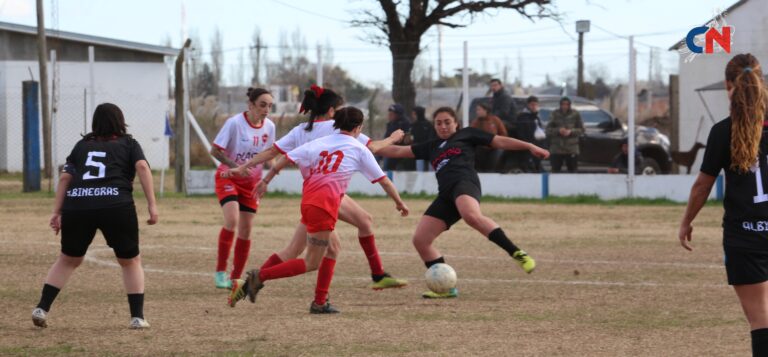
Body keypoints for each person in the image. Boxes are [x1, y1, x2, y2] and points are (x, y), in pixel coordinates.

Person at [225, 86, 408, 313]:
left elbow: (275, 154)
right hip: (329, 195)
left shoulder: (302, 131)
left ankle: (314, 298)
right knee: (333, 245)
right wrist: (393, 138)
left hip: (311, 193)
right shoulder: (341, 127)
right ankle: (373, 276)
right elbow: (373, 149)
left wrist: (255, 172)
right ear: (332, 111)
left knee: (299, 249)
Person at [376, 107, 549, 298]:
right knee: (421, 240)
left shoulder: (467, 134)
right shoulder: (431, 146)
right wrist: (364, 144)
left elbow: (499, 140)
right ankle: (446, 289)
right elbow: (395, 151)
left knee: (471, 216)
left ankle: (517, 253)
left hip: (465, 183)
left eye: (447, 122)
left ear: (456, 123)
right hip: (446, 195)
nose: (443, 126)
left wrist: (530, 146)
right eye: (438, 123)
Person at [32, 103, 158, 329]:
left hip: (78, 205)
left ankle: (41, 308)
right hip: (116, 205)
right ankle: (137, 317)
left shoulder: (81, 146)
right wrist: (152, 205)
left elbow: (64, 179)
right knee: (130, 262)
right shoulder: (129, 143)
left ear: (95, 123)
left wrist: (57, 211)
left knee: (68, 259)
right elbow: (141, 166)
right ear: (121, 121)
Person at [678, 53, 768, 356]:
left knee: (761, 322)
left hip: (745, 237)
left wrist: (686, 222)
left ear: (729, 85)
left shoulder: (722, 131)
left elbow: (703, 185)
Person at [210, 88, 276, 289]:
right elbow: (215, 151)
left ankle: (235, 278)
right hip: (228, 177)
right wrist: (235, 167)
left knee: (246, 230)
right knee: (232, 220)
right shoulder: (234, 123)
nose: (266, 110)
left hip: (251, 183)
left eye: (270, 106)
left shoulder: (270, 127)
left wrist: (271, 175)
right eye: (262, 105)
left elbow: (270, 155)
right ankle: (220, 273)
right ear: (251, 105)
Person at [545, 97, 584, 173]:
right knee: (555, 171)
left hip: (572, 148)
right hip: (557, 148)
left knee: (572, 171)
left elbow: (581, 129)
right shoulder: (554, 114)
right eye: (563, 104)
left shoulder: (575, 114)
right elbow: (548, 130)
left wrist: (571, 132)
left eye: (567, 104)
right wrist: (558, 131)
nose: (565, 106)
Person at [470, 102, 507, 172]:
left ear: (485, 110)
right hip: (480, 150)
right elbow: (470, 135)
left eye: (479, 110)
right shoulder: (475, 122)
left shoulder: (495, 120)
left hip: (494, 149)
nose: (477, 112)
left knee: (493, 166)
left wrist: (496, 142)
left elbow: (503, 134)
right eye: (477, 110)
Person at [514, 96, 545, 172]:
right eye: (532, 104)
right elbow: (521, 133)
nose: (534, 106)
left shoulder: (536, 117)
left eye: (535, 104)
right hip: (527, 148)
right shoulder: (522, 117)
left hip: (536, 147)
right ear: (528, 105)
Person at [383, 103, 412, 171]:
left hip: (400, 150)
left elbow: (407, 139)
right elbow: (386, 136)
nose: (389, 116)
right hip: (389, 148)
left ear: (398, 114)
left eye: (391, 114)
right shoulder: (390, 124)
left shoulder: (405, 124)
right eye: (389, 114)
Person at [410, 106, 435, 172]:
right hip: (418, 149)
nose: (413, 116)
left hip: (428, 149)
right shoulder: (413, 125)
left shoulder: (428, 125)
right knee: (419, 161)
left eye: (414, 114)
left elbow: (431, 137)